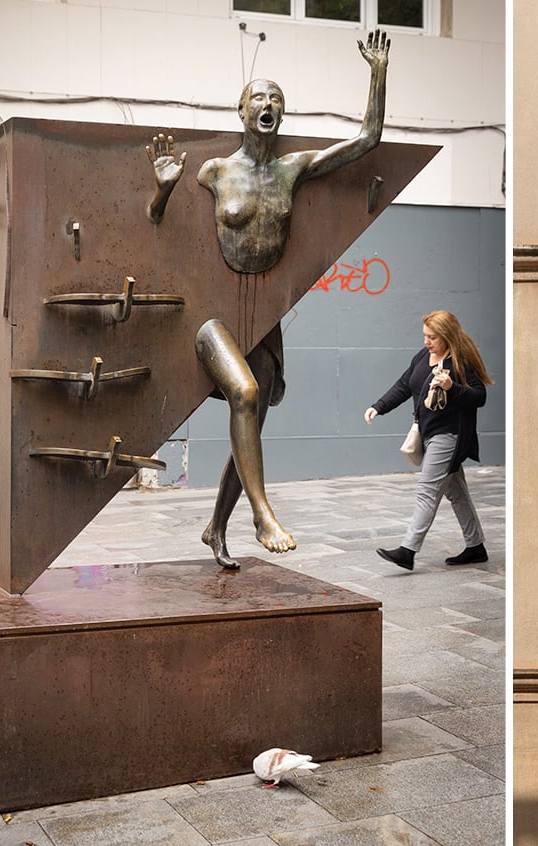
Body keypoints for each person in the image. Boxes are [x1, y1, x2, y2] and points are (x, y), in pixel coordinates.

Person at [145, 30, 390, 569]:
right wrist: (162, 190)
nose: (269, 105)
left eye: (277, 99)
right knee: (246, 393)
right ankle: (262, 513)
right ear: (241, 110)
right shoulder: (212, 172)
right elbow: (156, 231)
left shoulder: (292, 169)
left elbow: (367, 140)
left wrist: (377, 72)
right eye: (259, 97)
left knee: (247, 422)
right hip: (212, 311)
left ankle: (215, 528)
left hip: (260, 316)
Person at [365, 310, 493, 570]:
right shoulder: (423, 357)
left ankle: (408, 550)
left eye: (432, 337)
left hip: (449, 436)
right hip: (428, 432)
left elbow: (479, 396)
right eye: (425, 336)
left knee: (427, 490)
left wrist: (452, 388)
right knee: (457, 493)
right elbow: (404, 386)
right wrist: (378, 406)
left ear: (446, 336)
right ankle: (476, 546)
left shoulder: (460, 362)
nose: (427, 341)